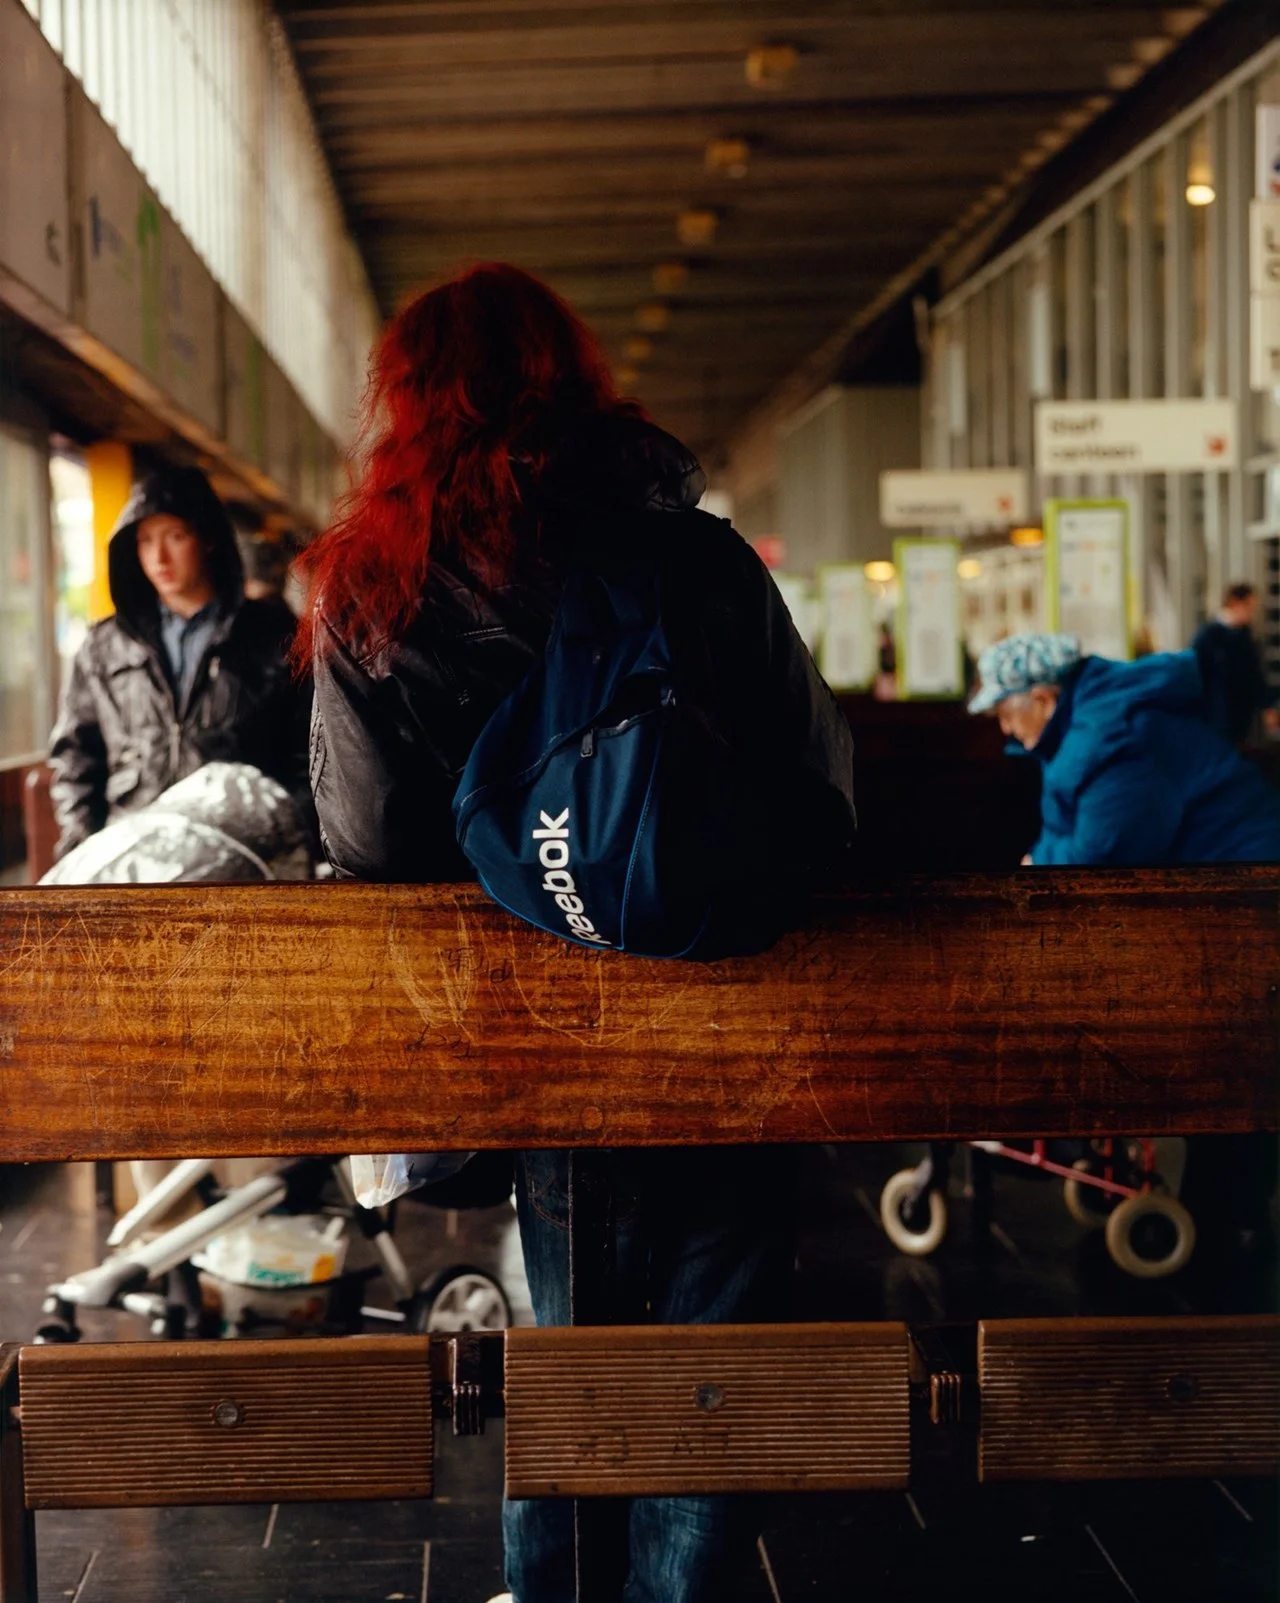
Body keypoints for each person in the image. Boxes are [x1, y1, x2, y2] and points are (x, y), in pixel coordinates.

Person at [296, 262, 855, 1603]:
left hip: (532, 1032)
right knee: (715, 1337)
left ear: (406, 399)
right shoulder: (692, 553)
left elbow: (367, 841)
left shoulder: (382, 584)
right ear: (574, 376)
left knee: (572, 1331)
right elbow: (818, 780)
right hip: (736, 1008)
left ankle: (556, 1583)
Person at [48, 463, 312, 861]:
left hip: (238, 854)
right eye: (145, 540)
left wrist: (292, 836)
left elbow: (307, 749)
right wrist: (84, 847)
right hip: (129, 853)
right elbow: (76, 757)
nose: (159, 557)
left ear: (207, 539)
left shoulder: (271, 633)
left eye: (176, 536)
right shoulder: (104, 645)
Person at [967, 631, 1280, 865]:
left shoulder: (1108, 738)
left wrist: (1040, 862)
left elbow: (1104, 855)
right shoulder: (1084, 719)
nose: (1005, 729)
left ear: (1043, 701)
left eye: (1006, 715)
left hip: (1242, 874)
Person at [1191, 582, 1279, 747]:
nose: (1251, 613)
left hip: (1242, 717)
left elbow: (1255, 676)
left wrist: (1267, 706)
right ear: (1234, 602)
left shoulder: (1245, 637)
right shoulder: (1209, 636)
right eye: (1248, 606)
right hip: (1217, 714)